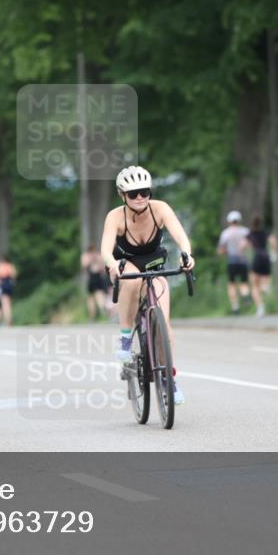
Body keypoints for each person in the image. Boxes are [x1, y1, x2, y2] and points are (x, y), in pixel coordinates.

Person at [101, 165, 194, 405]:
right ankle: (125, 337)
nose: (140, 197)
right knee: (132, 281)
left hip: (154, 262)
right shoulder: (115, 216)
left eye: (144, 191)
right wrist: (113, 264)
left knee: (166, 326)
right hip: (126, 264)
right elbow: (105, 249)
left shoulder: (160, 209)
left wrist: (187, 255)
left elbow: (181, 236)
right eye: (133, 194)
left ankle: (169, 380)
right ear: (123, 195)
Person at [217, 211, 251, 314]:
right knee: (244, 283)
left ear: (229, 221)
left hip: (232, 261)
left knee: (232, 284)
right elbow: (249, 244)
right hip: (243, 260)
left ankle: (235, 306)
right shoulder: (245, 231)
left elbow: (220, 250)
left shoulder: (226, 233)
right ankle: (245, 296)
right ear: (239, 220)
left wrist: (226, 251)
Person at [247, 215, 278, 318]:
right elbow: (273, 241)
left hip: (257, 257)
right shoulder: (265, 232)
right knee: (265, 281)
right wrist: (274, 252)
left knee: (254, 286)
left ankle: (260, 306)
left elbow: (244, 245)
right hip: (266, 256)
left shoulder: (250, 234)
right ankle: (265, 288)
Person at [81, 245, 109, 322]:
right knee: (91, 298)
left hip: (97, 277)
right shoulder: (86, 256)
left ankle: (104, 312)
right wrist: (92, 259)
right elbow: (85, 266)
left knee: (99, 295)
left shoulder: (97, 256)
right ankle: (93, 315)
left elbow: (103, 267)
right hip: (91, 278)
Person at [0, 256, 17, 327]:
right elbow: (14, 275)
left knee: (4, 304)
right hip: (9, 284)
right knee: (9, 303)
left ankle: (7, 321)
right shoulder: (10, 266)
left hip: (3, 284)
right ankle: (9, 320)